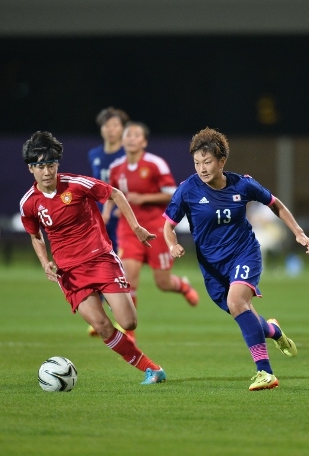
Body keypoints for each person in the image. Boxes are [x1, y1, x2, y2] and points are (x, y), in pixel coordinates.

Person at [163, 127, 309, 391]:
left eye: (208, 162)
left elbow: (274, 203)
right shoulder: (187, 190)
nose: (202, 168)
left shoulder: (242, 184)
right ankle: (273, 331)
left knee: (237, 301)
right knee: (240, 311)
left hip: (244, 254)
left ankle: (265, 373)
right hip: (212, 268)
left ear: (222, 161)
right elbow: (167, 225)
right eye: (197, 162)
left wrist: (299, 233)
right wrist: (173, 244)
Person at [20, 131, 166, 385]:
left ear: (57, 164)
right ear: (31, 168)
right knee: (102, 326)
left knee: (128, 322)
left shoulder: (76, 184)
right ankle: (151, 369)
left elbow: (115, 194)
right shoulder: (29, 203)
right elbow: (35, 236)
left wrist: (136, 228)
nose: (47, 172)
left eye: (51, 165)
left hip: (100, 259)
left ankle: (109, 295)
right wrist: (46, 263)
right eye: (40, 166)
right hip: (70, 272)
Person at [104, 122, 199, 342]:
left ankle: (182, 286)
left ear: (144, 141)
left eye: (136, 135)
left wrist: (144, 198)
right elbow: (111, 193)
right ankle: (129, 331)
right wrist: (108, 212)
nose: (131, 138)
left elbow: (172, 193)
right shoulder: (116, 167)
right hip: (129, 229)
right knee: (129, 278)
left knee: (162, 282)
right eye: (128, 134)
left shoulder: (156, 164)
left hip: (156, 228)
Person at [88, 107, 130, 251]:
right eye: (107, 126)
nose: (111, 130)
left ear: (122, 129)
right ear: (101, 129)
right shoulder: (94, 154)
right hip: (100, 213)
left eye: (115, 125)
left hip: (123, 211)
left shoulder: (129, 153)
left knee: (126, 259)